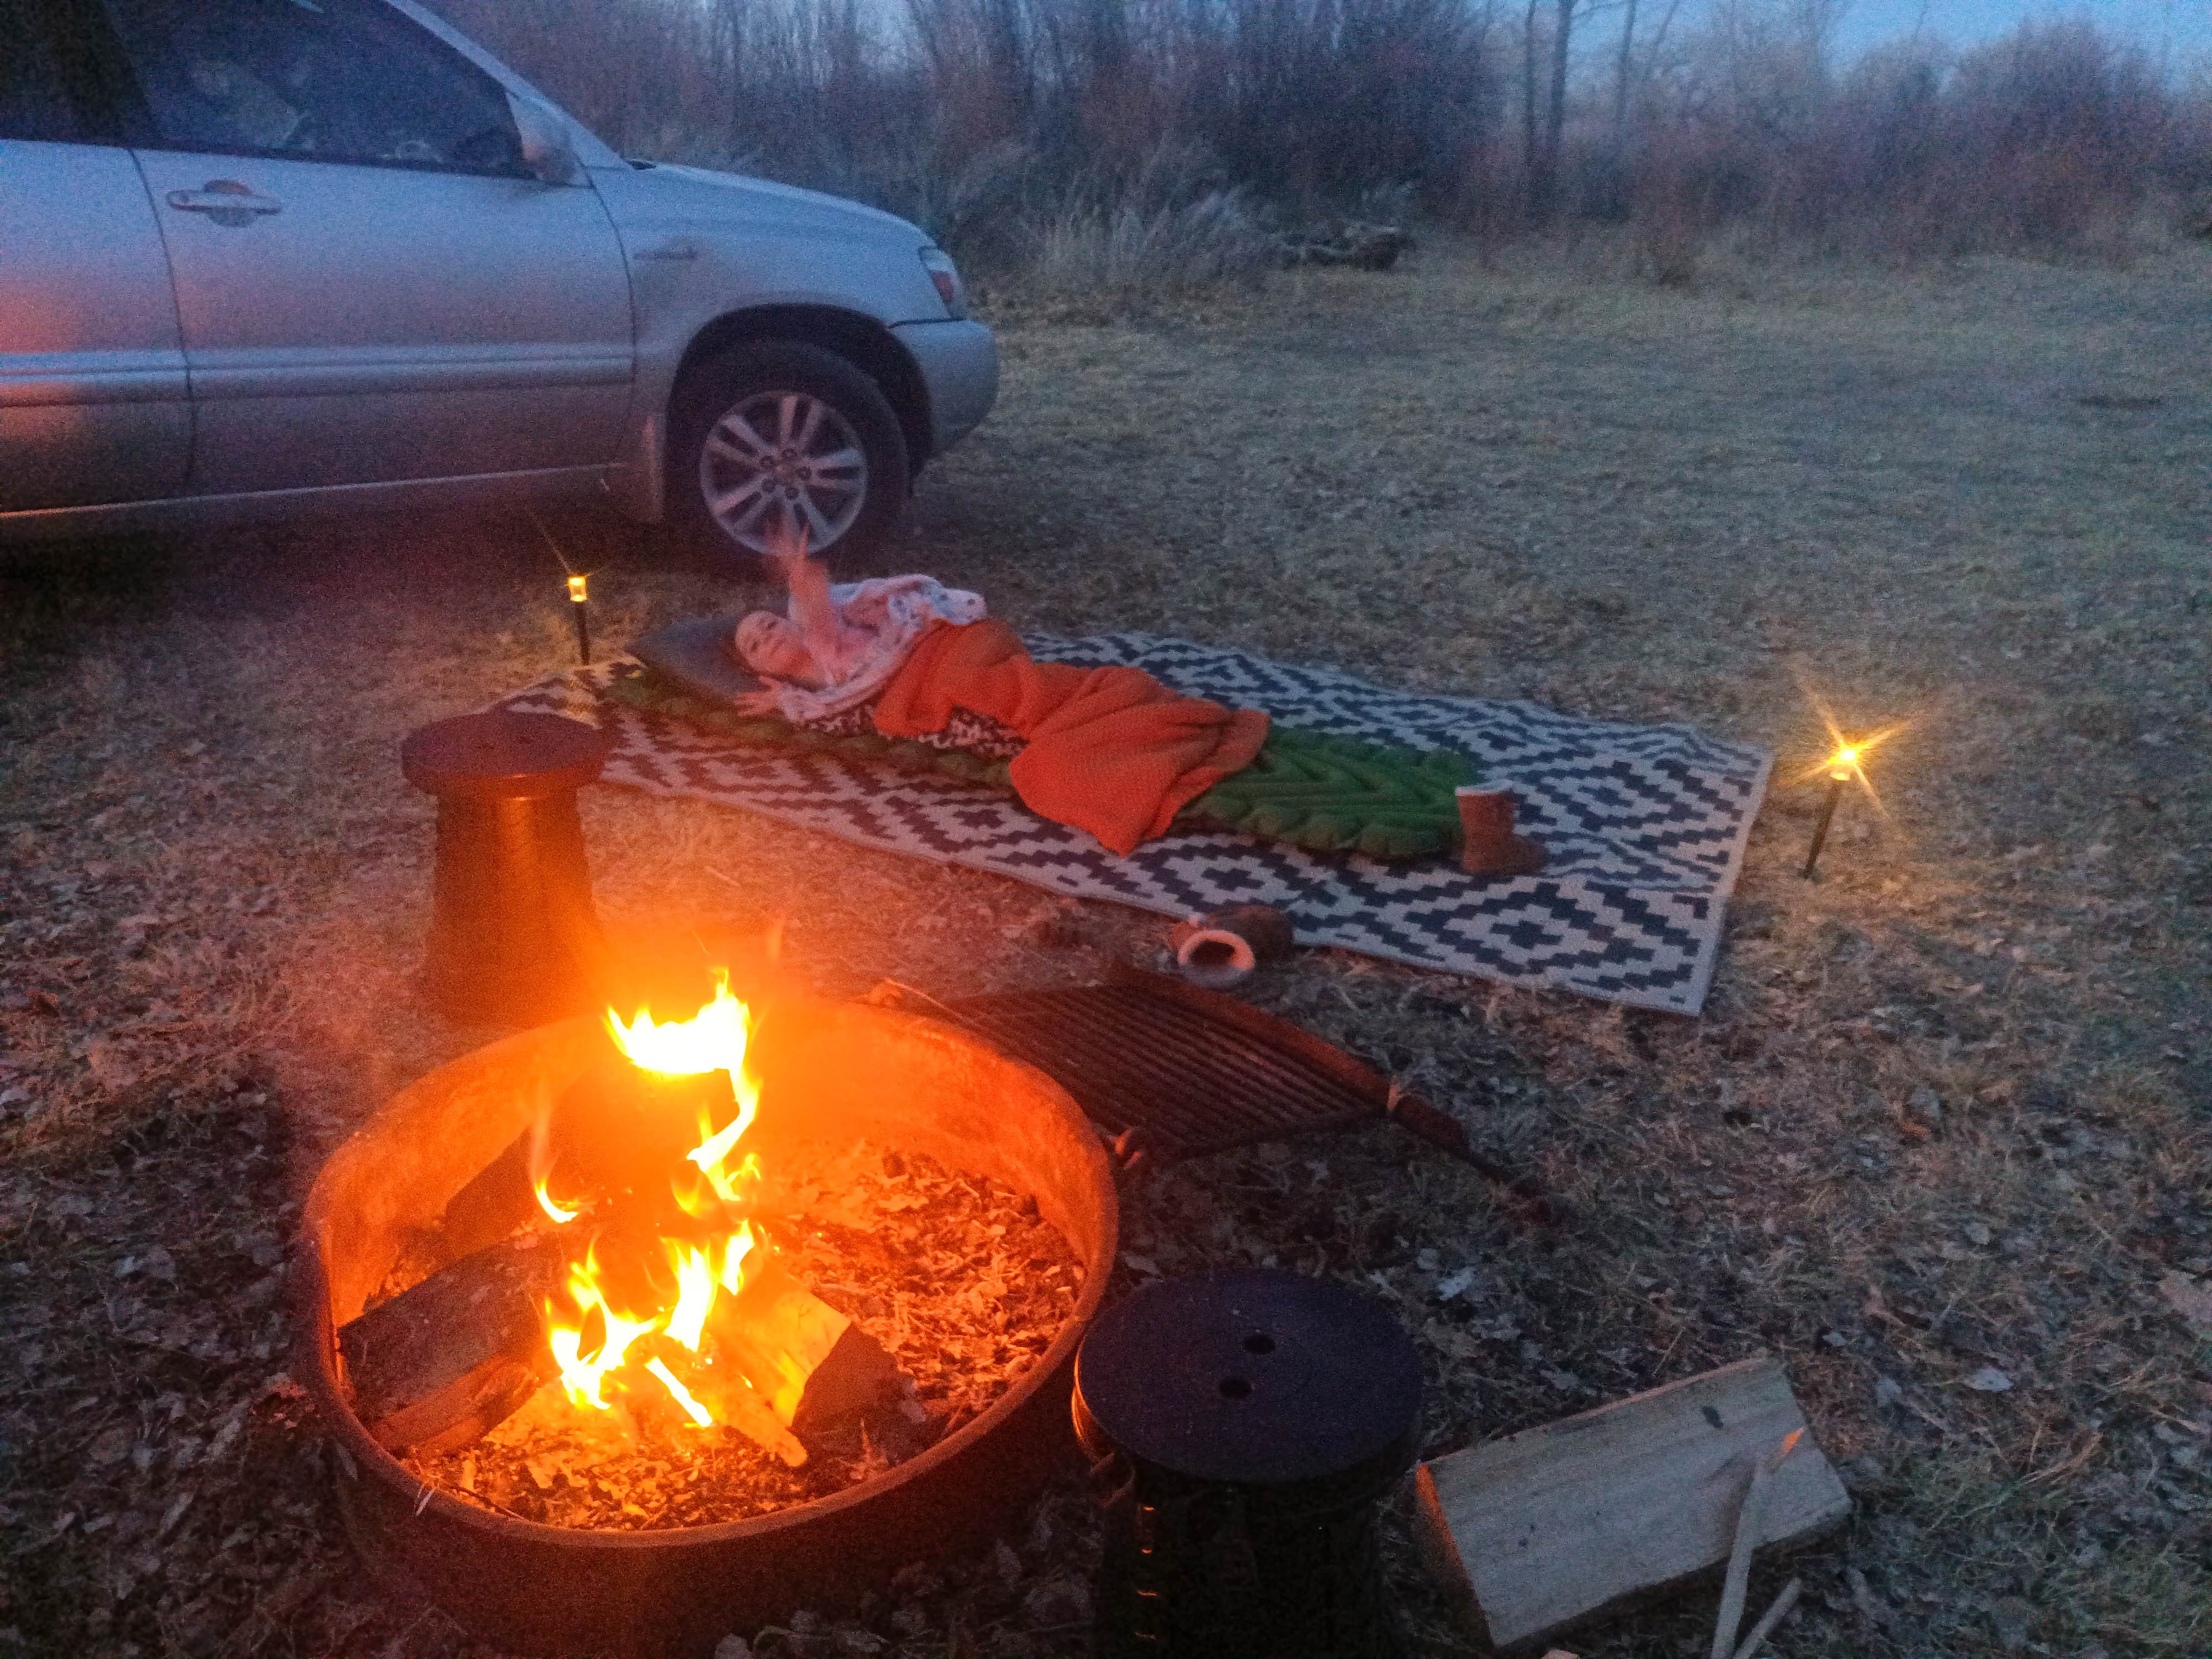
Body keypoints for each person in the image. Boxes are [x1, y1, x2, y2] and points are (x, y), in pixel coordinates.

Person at [728, 525, 984, 722]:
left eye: (770, 625)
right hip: (915, 673)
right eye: (754, 645)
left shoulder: (816, 636)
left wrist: (802, 582)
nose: (768, 637)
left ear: (791, 625)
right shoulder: (811, 687)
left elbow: (818, 616)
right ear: (760, 669)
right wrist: (783, 700)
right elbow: (826, 703)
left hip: (917, 639)